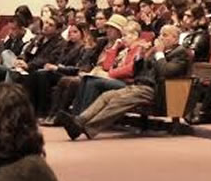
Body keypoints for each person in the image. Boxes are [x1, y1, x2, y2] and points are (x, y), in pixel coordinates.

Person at [59, 25, 189, 140]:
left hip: (157, 90)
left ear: (175, 38)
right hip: (139, 85)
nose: (160, 38)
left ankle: (87, 128)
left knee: (118, 101)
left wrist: (159, 53)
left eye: (165, 35)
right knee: (107, 96)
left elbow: (166, 71)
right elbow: (138, 69)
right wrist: (143, 55)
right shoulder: (156, 51)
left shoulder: (180, 53)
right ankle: (79, 120)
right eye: (160, 34)